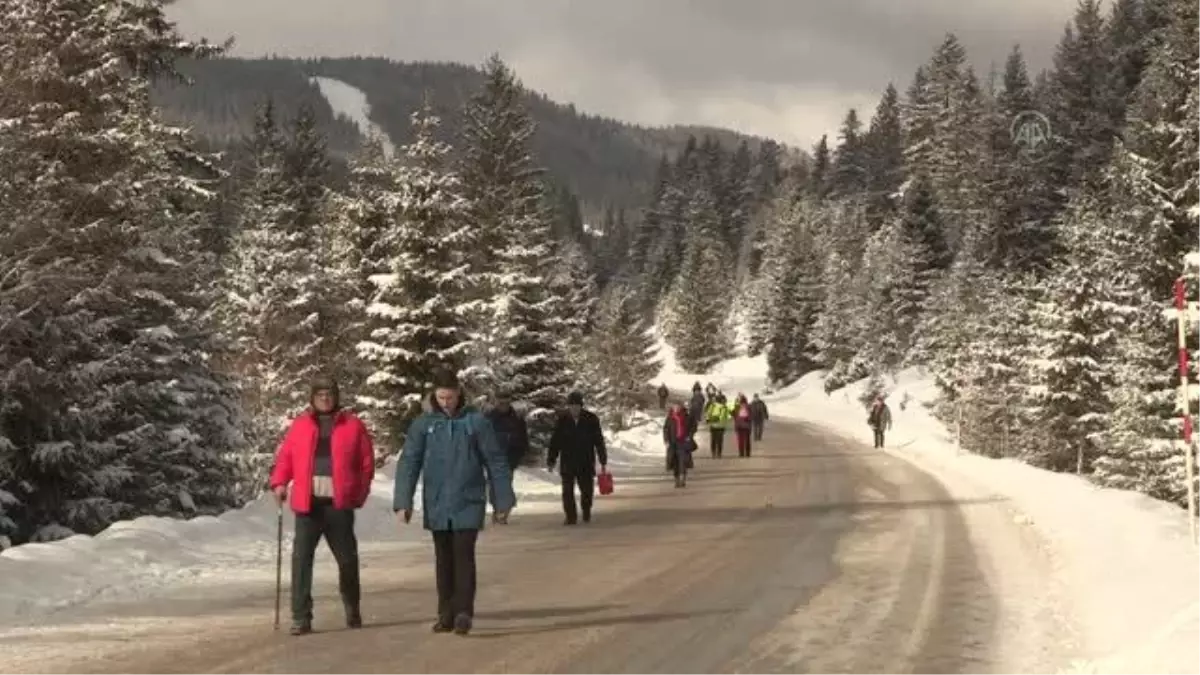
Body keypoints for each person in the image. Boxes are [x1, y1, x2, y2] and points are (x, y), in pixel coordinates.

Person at [393, 370, 515, 636]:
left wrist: (502, 499)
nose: (445, 402)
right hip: (437, 502)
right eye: (440, 397)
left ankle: (463, 612)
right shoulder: (424, 424)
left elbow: (495, 460)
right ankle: (445, 613)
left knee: (463, 555)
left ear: (459, 394)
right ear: (434, 396)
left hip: (468, 500)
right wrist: (404, 501)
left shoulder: (476, 422)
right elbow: (409, 462)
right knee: (443, 559)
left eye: (449, 396)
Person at [269, 376, 376, 636]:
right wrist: (280, 482)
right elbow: (286, 458)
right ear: (312, 398)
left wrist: (358, 495)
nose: (325, 398)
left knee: (347, 560)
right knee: (301, 560)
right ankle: (300, 616)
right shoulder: (301, 425)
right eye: (320, 394)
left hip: (339, 505)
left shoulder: (352, 425)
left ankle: (352, 607)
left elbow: (366, 463)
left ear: (336, 397)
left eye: (329, 394)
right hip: (308, 505)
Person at [548, 391, 608, 525]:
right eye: (571, 405)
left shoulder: (591, 419)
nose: (574, 408)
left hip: (585, 460)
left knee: (586, 490)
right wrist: (551, 459)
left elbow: (598, 440)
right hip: (567, 461)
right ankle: (570, 516)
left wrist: (602, 458)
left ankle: (586, 509)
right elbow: (555, 441)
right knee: (567, 491)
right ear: (568, 406)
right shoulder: (562, 420)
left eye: (577, 405)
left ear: (581, 406)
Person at [486, 390, 528, 471]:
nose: (504, 406)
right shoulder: (488, 418)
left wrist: (516, 458)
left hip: (509, 462)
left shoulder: (517, 419)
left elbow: (523, 441)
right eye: (501, 403)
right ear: (496, 403)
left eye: (506, 404)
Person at [663, 402, 697, 487]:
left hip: (683, 442)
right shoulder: (670, 417)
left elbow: (693, 426)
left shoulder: (687, 416)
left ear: (681, 407)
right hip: (673, 443)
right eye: (675, 407)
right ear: (672, 408)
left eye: (678, 407)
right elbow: (666, 429)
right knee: (675, 462)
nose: (676, 409)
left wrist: (690, 436)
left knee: (683, 461)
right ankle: (676, 480)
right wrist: (666, 440)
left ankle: (682, 479)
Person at [704, 394, 731, 458]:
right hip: (721, 426)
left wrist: (708, 420)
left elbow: (708, 414)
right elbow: (726, 418)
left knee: (713, 440)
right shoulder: (724, 407)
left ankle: (713, 453)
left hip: (713, 426)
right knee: (719, 441)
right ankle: (719, 453)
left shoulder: (712, 406)